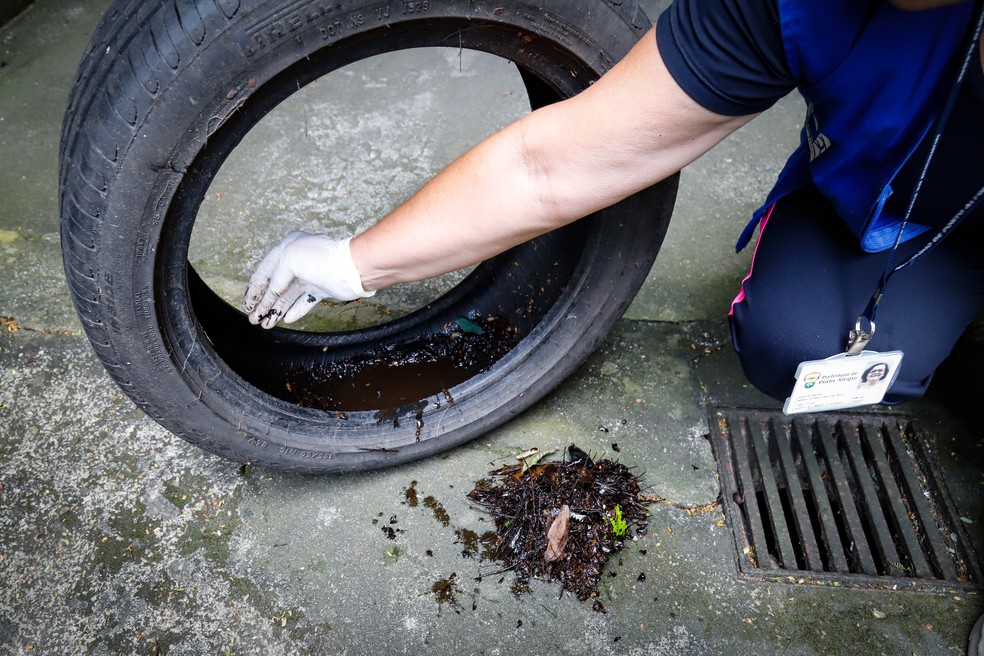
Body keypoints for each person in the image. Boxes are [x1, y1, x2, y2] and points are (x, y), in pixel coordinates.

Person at [244, 2, 982, 646]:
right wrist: (353, 262)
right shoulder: (797, 5)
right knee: (797, 343)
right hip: (905, 212)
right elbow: (548, 164)